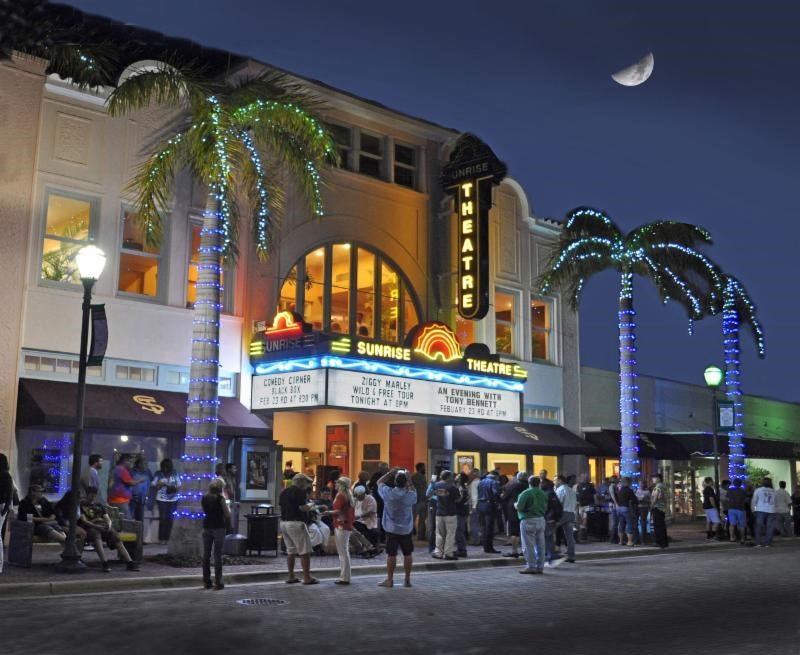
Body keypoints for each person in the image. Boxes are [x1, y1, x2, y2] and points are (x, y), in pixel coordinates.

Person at [79, 486, 139, 571]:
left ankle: (129, 562)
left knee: (116, 537)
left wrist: (109, 526)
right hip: (91, 527)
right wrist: (97, 525)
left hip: (103, 526)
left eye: (94, 495)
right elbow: (84, 521)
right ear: (87, 495)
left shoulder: (99, 505)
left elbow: (107, 518)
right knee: (96, 535)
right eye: (91, 495)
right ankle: (104, 562)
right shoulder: (81, 505)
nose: (93, 497)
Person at [377, 467, 417, 588]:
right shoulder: (410, 495)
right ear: (405, 482)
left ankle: (390, 580)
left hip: (391, 529)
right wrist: (409, 478)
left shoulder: (388, 493)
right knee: (408, 553)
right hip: (406, 529)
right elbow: (413, 489)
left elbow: (379, 482)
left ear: (395, 482)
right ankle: (407, 580)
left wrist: (391, 472)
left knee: (391, 554)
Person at [278, 473, 317, 585]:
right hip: (296, 523)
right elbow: (302, 508)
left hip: (284, 523)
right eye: (306, 482)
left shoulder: (284, 492)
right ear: (300, 481)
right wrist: (311, 505)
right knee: (304, 551)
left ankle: (291, 576)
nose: (306, 485)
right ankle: (307, 577)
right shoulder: (300, 492)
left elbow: (281, 506)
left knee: (290, 551)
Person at [201, 478, 230, 590]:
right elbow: (227, 515)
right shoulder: (220, 498)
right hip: (219, 527)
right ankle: (218, 581)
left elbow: (205, 511)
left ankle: (206, 581)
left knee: (206, 555)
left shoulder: (204, 498)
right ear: (220, 488)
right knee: (217, 555)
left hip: (207, 526)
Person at [516, 476, 548, 574]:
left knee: (528, 545)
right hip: (541, 519)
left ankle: (531, 566)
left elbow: (520, 507)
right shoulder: (543, 494)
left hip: (528, 520)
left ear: (529, 482)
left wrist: (515, 505)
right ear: (539, 483)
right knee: (541, 545)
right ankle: (540, 566)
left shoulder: (526, 493)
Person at [330, 476, 355, 585]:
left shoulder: (340, 496)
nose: (335, 485)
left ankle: (344, 577)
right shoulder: (348, 495)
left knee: (342, 552)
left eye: (337, 483)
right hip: (345, 525)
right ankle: (345, 576)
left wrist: (327, 512)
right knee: (344, 551)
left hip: (341, 525)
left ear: (341, 485)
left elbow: (338, 511)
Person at [151, 458, 180, 544]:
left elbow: (179, 484)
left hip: (173, 499)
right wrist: (160, 484)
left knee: (170, 519)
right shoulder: (158, 474)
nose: (165, 470)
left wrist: (172, 486)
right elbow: (153, 484)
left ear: (170, 467)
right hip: (161, 499)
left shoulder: (174, 473)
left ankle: (168, 539)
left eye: (166, 468)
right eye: (163, 468)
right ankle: (161, 539)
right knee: (163, 518)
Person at [432, 470, 459, 560]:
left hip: (439, 512)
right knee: (450, 535)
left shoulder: (436, 485)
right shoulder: (452, 487)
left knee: (439, 534)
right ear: (448, 477)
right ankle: (448, 553)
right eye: (451, 476)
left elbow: (433, 494)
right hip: (450, 513)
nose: (452, 478)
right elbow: (457, 499)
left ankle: (438, 552)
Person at [108, 453, 142, 518]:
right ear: (125, 461)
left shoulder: (115, 469)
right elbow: (131, 482)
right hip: (121, 501)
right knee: (126, 522)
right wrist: (140, 481)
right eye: (130, 461)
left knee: (116, 521)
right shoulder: (122, 470)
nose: (131, 464)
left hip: (113, 500)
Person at [501, 472, 527, 558]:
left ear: (517, 478)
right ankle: (526, 551)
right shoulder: (529, 486)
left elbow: (504, 497)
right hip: (527, 512)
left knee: (514, 532)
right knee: (526, 533)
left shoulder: (513, 485)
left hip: (513, 511)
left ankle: (514, 551)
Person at [0, 453, 18, 573]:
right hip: (2, 507)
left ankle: (0, 564)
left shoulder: (5, 475)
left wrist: (5, 509)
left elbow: (9, 494)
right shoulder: (7, 475)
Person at [477, 470, 501, 553]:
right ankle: (489, 548)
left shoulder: (481, 482)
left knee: (483, 527)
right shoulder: (494, 482)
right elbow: (495, 494)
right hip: (489, 505)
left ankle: (485, 546)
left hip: (480, 504)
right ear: (496, 476)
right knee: (489, 528)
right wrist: (497, 503)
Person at [554, 475, 577, 562]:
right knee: (569, 536)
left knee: (550, 531)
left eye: (555, 480)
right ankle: (571, 555)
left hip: (563, 513)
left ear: (560, 481)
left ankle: (553, 552)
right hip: (571, 513)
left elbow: (558, 503)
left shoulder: (560, 490)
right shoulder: (571, 490)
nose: (554, 482)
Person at [751, 477, 777, 547]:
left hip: (760, 510)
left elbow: (754, 501)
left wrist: (753, 510)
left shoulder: (758, 490)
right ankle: (768, 543)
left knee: (759, 526)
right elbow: (776, 502)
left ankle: (758, 543)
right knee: (770, 527)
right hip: (772, 510)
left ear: (762, 483)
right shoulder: (774, 491)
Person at [130, 454, 152, 523]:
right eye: (145, 463)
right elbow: (128, 483)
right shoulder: (132, 471)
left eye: (147, 463)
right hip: (132, 499)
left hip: (142, 499)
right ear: (139, 464)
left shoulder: (148, 471)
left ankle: (139, 533)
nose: (146, 465)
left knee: (140, 521)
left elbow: (152, 482)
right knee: (128, 520)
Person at [725, 479, 748, 544]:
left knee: (732, 524)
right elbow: (746, 500)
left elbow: (727, 499)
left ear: (733, 483)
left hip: (731, 509)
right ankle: (742, 539)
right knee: (742, 525)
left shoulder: (729, 490)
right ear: (740, 484)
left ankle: (732, 538)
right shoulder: (743, 491)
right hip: (741, 509)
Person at [615, 477, 636, 547]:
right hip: (626, 508)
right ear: (627, 482)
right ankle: (629, 541)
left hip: (619, 509)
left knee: (621, 524)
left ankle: (620, 541)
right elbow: (634, 499)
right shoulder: (629, 490)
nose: (631, 484)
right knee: (629, 524)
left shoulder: (620, 490)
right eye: (630, 483)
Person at [575, 473, 596, 543]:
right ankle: (582, 534)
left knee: (586, 519)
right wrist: (577, 504)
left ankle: (585, 534)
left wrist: (594, 503)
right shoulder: (578, 485)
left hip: (589, 505)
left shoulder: (591, 485)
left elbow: (594, 495)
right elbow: (577, 495)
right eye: (583, 477)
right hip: (581, 505)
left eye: (586, 477)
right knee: (581, 519)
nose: (585, 478)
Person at [454, 472, 471, 557]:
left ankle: (462, 550)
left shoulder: (461, 488)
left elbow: (459, 500)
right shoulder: (464, 487)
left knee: (459, 531)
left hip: (460, 511)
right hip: (463, 511)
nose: (456, 477)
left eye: (458, 476)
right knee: (460, 530)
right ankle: (461, 549)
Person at [650, 474, 668, 548]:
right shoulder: (663, 486)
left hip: (657, 508)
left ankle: (659, 542)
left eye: (654, 478)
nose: (653, 479)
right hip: (662, 508)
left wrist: (651, 507)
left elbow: (655, 498)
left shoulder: (658, 487)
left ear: (658, 479)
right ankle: (664, 542)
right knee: (661, 526)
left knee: (658, 526)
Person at [410, 462, 428, 539]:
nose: (425, 469)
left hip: (416, 501)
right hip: (420, 501)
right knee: (421, 519)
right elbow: (424, 489)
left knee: (413, 519)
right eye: (424, 467)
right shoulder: (421, 477)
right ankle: (420, 535)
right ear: (420, 468)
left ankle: (409, 535)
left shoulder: (413, 476)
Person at [468, 469, 482, 546]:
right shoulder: (481, 482)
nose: (469, 475)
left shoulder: (474, 483)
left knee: (474, 523)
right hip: (481, 505)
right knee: (479, 523)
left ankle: (476, 540)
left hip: (475, 506)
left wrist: (473, 506)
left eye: (470, 474)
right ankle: (480, 539)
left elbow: (474, 496)